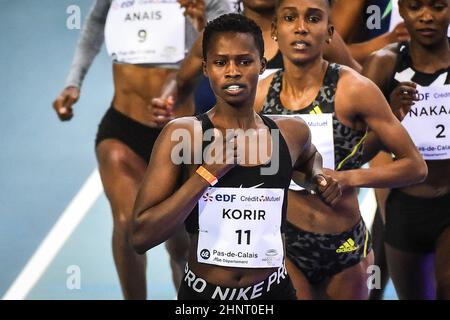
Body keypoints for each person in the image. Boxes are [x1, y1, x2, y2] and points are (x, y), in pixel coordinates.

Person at [131, 13, 342, 300]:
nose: (233, 71)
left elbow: (309, 159)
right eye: (220, 62)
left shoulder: (292, 132)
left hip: (272, 293)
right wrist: (206, 174)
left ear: (262, 65)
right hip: (204, 297)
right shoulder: (183, 135)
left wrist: (318, 178)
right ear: (206, 68)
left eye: (244, 61)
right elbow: (142, 236)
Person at [52, 0, 231, 299]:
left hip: (180, 136)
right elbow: (95, 24)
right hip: (122, 128)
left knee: (182, 246)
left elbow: (229, 35)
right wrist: (73, 82)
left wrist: (202, 27)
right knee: (126, 224)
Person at [254, 0, 427, 299]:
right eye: (289, 18)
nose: (300, 28)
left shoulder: (354, 89)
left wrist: (349, 179)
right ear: (274, 30)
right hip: (284, 246)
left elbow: (415, 166)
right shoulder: (258, 95)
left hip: (345, 248)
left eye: (313, 18)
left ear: (329, 31)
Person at [363, 0, 450, 300]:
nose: (426, 16)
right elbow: (356, 146)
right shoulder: (384, 64)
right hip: (405, 205)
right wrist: (390, 113)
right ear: (400, 9)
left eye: (438, 7)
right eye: (415, 7)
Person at [152, 0, 361, 122]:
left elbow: (361, 82)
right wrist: (166, 100)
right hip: (235, 162)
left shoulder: (309, 33)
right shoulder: (216, 34)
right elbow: (179, 81)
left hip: (304, 162)